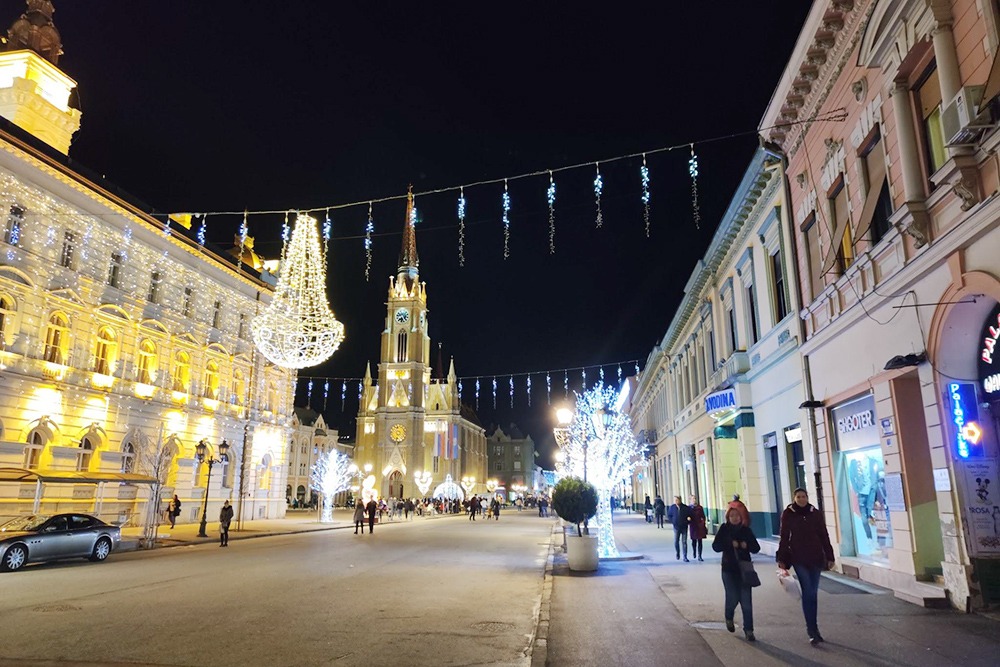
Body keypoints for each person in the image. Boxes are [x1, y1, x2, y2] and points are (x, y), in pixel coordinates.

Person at [777, 488, 835, 645]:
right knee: (808, 590)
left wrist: (829, 556)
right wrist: (781, 558)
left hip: (815, 557)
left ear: (807, 498)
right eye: (798, 497)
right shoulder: (788, 514)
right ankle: (811, 629)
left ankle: (814, 628)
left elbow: (824, 534)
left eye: (804, 496)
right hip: (798, 558)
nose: (801, 499)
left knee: (813, 593)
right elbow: (784, 537)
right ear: (794, 498)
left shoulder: (814, 513)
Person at [713, 507, 760, 642]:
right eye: (732, 516)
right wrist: (729, 543)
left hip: (744, 570)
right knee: (732, 597)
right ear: (728, 518)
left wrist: (747, 545)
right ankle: (729, 616)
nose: (735, 518)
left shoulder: (746, 530)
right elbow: (716, 547)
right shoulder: (724, 529)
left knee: (746, 602)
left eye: (737, 516)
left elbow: (756, 548)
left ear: (741, 517)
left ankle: (749, 630)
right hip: (729, 569)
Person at [666, 496, 691, 561]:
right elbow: (669, 515)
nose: (676, 501)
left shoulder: (685, 508)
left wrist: (688, 521)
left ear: (680, 500)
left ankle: (685, 556)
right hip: (676, 527)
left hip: (684, 527)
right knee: (676, 541)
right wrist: (673, 522)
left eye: (677, 500)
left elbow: (690, 516)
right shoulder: (672, 507)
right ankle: (677, 552)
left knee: (684, 542)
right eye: (675, 500)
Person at [689, 494, 707, 562]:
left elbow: (703, 516)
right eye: (693, 499)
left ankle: (700, 555)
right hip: (693, 525)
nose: (694, 500)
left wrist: (703, 523)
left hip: (699, 526)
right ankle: (694, 551)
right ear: (690, 500)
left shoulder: (700, 508)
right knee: (694, 541)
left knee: (700, 541)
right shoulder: (689, 508)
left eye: (695, 499)